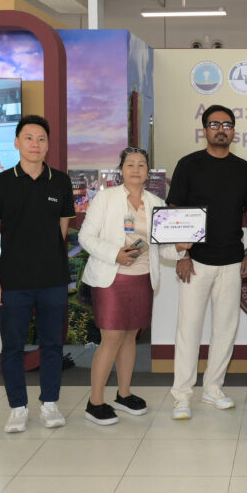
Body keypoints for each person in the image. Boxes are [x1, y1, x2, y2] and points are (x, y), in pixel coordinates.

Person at [0, 115, 75, 433]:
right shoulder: (0, 183)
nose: (35, 144)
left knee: (52, 345)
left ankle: (50, 403)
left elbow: (61, 231)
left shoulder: (61, 182)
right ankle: (17, 407)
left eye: (41, 139)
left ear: (49, 144)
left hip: (53, 279)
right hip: (13, 281)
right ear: (17, 142)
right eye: (29, 138)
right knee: (12, 347)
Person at [166, 105, 247, 420]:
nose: (222, 129)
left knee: (225, 330)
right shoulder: (188, 165)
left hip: (232, 261)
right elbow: (175, 211)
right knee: (188, 330)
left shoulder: (244, 169)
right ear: (204, 129)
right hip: (196, 262)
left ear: (233, 130)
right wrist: (182, 254)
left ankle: (213, 388)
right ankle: (182, 395)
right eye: (215, 124)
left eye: (227, 124)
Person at [79, 146, 175, 425]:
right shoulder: (106, 199)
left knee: (131, 336)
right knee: (111, 338)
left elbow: (163, 247)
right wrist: (115, 254)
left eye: (142, 164)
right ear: (121, 169)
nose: (136, 169)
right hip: (111, 278)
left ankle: (123, 394)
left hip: (143, 278)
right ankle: (94, 401)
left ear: (148, 172)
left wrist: (182, 247)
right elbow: (86, 236)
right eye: (130, 164)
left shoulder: (156, 202)